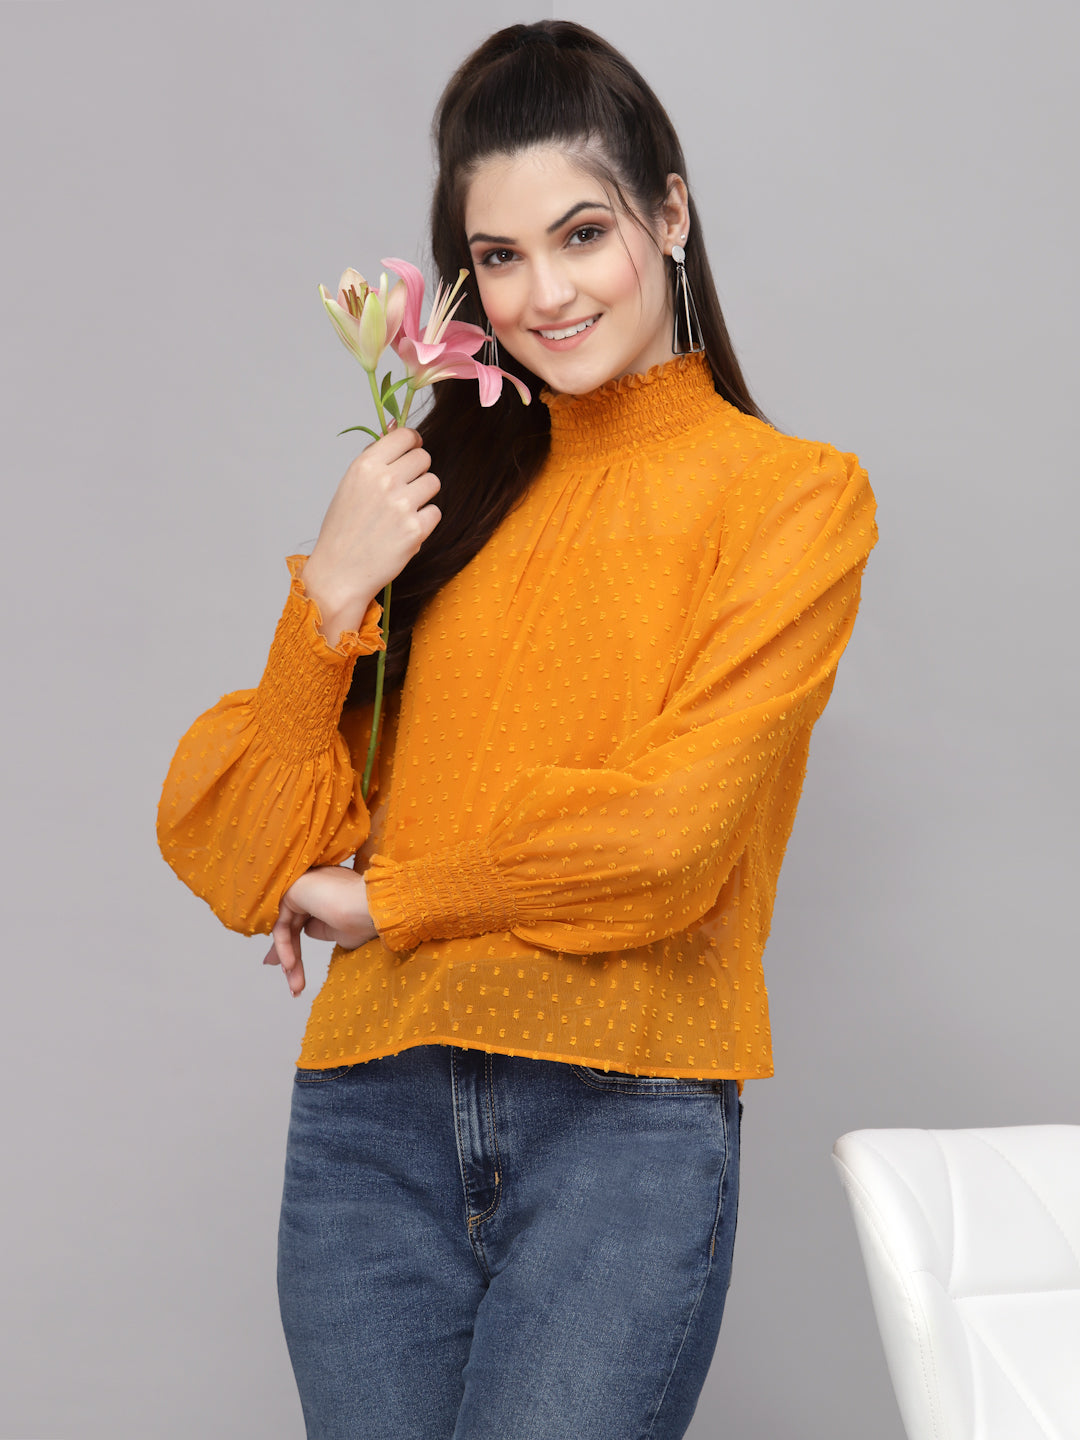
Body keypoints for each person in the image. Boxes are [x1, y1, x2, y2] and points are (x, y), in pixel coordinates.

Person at [158, 19, 877, 1440]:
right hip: (369, 1121)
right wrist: (331, 594)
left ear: (670, 214)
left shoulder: (794, 498)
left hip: (624, 1116)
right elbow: (239, 842)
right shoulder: (438, 501)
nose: (544, 293)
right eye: (498, 257)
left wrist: (390, 896)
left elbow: (664, 848)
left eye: (583, 232)